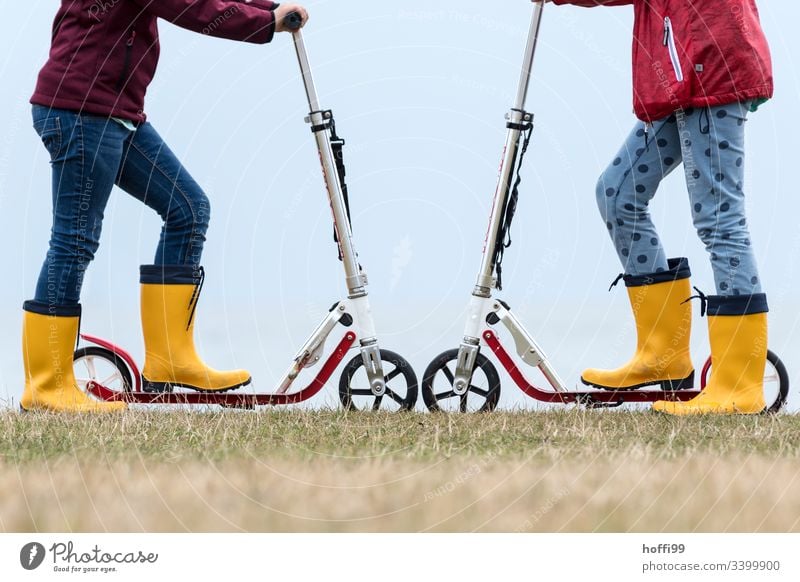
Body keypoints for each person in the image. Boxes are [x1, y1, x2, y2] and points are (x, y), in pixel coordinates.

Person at [23, 0, 309, 413]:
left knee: (188, 209)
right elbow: (191, 6)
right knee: (74, 240)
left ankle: (170, 358)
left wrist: (268, 7)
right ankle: (47, 387)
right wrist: (266, 23)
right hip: (82, 110)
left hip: (116, 112)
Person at [547, 0, 773, 414]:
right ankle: (662, 355)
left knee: (721, 220)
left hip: (711, 69)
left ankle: (739, 388)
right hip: (679, 76)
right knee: (618, 192)